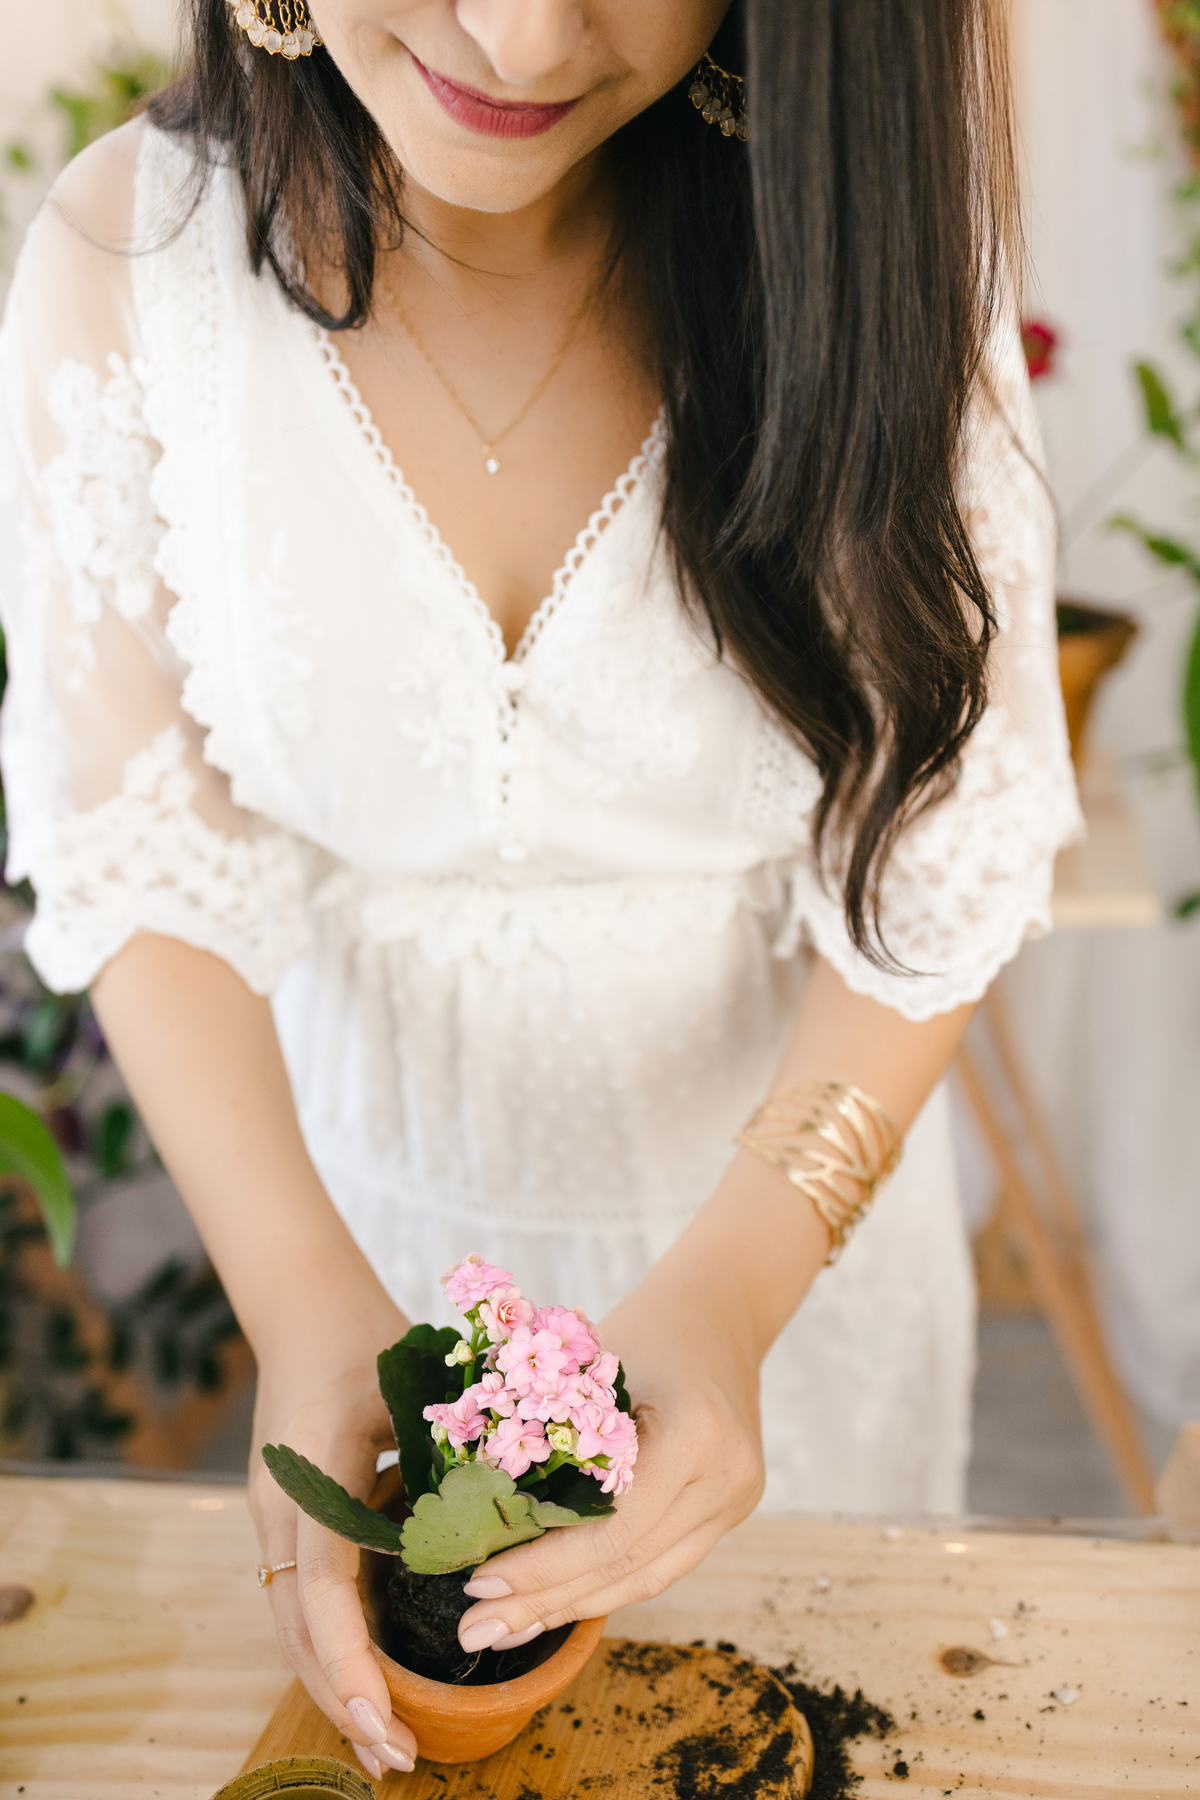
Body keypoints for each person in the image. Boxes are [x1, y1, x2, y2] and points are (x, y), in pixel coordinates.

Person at [0, 0, 1080, 1779]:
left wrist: (733, 1294)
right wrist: (299, 1296)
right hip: (364, 1226)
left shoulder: (865, 235)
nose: (514, 35)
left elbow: (951, 819)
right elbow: (141, 843)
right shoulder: (126, 271)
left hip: (789, 1253)